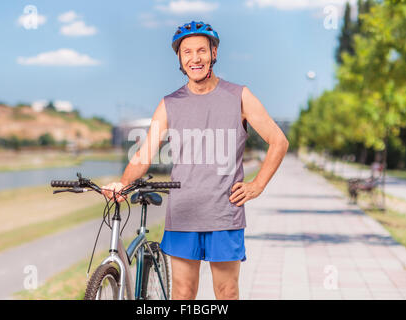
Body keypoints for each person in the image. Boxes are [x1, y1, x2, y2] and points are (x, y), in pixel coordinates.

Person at [102, 21, 289, 300]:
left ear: (214, 53)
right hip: (183, 214)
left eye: (201, 50)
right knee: (183, 293)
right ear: (179, 58)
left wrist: (257, 185)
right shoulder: (170, 103)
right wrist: (123, 183)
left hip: (224, 215)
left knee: (226, 293)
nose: (195, 58)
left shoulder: (239, 96)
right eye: (187, 52)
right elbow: (144, 153)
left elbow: (279, 141)